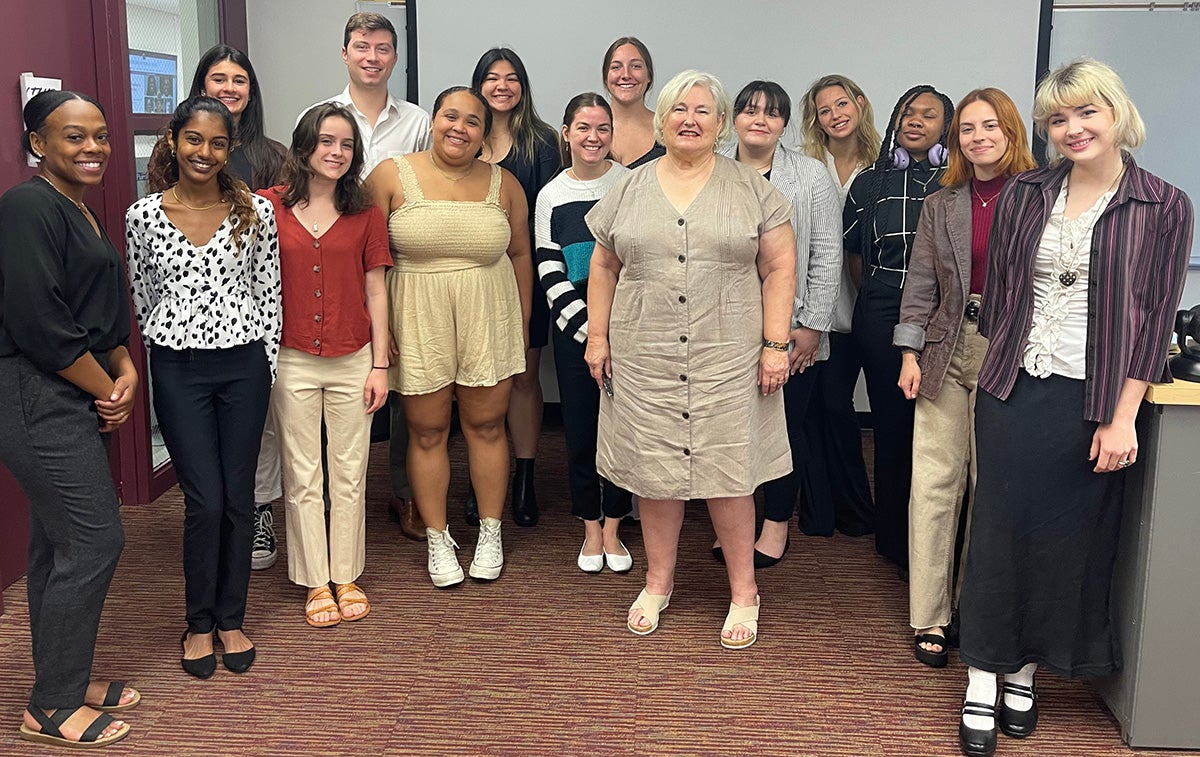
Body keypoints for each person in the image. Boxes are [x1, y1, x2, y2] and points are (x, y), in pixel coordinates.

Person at [955, 60, 1192, 757]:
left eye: (1086, 112)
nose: (1072, 128)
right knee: (997, 527)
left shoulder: (1163, 203)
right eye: (1059, 118)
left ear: (1116, 112)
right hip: (1013, 388)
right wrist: (1009, 357)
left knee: (1065, 541)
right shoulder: (1028, 191)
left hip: (1093, 398)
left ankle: (1026, 667)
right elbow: (1000, 292)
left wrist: (1123, 417)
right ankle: (981, 675)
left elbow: (1153, 320)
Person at [585, 70, 796, 649]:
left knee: (731, 474)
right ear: (661, 119)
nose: (690, 119)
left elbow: (779, 267)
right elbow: (603, 266)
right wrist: (596, 337)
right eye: (679, 108)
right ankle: (658, 581)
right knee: (655, 474)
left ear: (720, 123)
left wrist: (776, 344)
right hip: (644, 352)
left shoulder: (752, 188)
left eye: (703, 110)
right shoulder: (627, 187)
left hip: (730, 355)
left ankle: (744, 590)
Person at [126, 95, 280, 678]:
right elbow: (142, 296)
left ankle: (231, 617)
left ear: (230, 148)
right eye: (194, 139)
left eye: (218, 143)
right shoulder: (142, 217)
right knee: (204, 500)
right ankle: (197, 623)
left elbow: (269, 293)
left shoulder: (254, 214)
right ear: (173, 140)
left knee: (239, 496)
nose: (205, 152)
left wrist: (263, 363)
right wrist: (161, 348)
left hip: (243, 367)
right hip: (178, 369)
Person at [2, 90, 138, 749]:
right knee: (92, 540)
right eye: (73, 137)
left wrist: (124, 368)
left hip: (75, 386)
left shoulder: (81, 211)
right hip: (34, 394)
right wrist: (108, 387)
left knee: (57, 543)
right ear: (38, 144)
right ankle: (51, 706)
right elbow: (41, 324)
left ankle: (66, 673)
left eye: (101, 136)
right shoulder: (27, 207)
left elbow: (102, 313)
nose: (93, 148)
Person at [893, 88, 1036, 669]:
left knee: (989, 486)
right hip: (945, 348)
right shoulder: (942, 202)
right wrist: (909, 353)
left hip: (1013, 352)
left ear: (1011, 132)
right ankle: (930, 615)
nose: (978, 137)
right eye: (968, 129)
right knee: (932, 483)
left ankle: (977, 609)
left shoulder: (1042, 198)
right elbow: (921, 284)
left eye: (990, 126)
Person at [367, 86, 532, 587]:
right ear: (433, 120)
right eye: (449, 116)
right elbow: (368, 259)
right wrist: (380, 333)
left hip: (489, 315)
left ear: (486, 132)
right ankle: (438, 537)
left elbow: (521, 255)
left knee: (486, 427)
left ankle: (489, 530)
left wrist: (520, 323)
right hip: (415, 316)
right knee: (427, 430)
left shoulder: (505, 185)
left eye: (472, 121)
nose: (458, 128)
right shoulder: (391, 175)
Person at [300, 12, 432, 541]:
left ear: (395, 58)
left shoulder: (419, 121)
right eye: (361, 46)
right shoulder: (319, 115)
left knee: (403, 378)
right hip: (332, 266)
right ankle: (333, 497)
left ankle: (405, 492)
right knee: (333, 377)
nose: (372, 56)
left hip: (402, 266)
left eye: (382, 48)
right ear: (345, 53)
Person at [260, 103, 391, 627]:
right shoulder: (267, 207)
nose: (336, 153)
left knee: (349, 471)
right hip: (291, 358)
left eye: (346, 145)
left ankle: (347, 573)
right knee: (302, 473)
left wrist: (380, 364)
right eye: (326, 142)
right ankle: (315, 579)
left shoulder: (365, 214)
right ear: (304, 146)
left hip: (352, 357)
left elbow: (376, 289)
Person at [713, 80, 841, 568]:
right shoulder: (714, 169)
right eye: (749, 111)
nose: (759, 120)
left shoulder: (810, 175)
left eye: (771, 113)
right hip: (725, 327)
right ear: (733, 119)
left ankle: (775, 524)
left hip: (792, 328)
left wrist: (811, 326)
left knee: (785, 428)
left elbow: (827, 255)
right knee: (730, 429)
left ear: (785, 123)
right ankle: (734, 524)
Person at [843, 84, 954, 573]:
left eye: (929, 116)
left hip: (947, 310)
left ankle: (937, 538)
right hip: (883, 308)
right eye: (909, 113)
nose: (916, 121)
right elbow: (853, 256)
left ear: (944, 129)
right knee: (893, 428)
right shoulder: (870, 181)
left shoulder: (957, 179)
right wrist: (878, 301)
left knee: (941, 429)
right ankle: (895, 541)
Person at [189, 43, 288, 570]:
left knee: (260, 424)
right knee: (202, 427)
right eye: (218, 78)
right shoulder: (176, 150)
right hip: (192, 323)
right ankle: (213, 512)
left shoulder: (271, 156)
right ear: (201, 85)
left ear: (251, 92)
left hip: (253, 315)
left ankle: (257, 510)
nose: (229, 88)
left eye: (239, 81)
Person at [534, 92, 634, 573]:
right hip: (574, 335)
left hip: (630, 336)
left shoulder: (632, 184)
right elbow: (550, 273)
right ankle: (590, 526)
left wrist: (617, 333)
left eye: (603, 129)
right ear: (567, 132)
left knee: (621, 434)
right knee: (580, 431)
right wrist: (591, 332)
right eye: (584, 128)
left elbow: (641, 265)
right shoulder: (550, 195)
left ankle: (615, 525)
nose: (593, 138)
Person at [467, 47, 561, 528]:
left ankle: (524, 479)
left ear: (523, 86)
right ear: (478, 84)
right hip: (469, 282)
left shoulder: (542, 142)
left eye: (511, 78)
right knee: (476, 381)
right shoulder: (462, 133)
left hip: (523, 278)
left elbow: (544, 220)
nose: (501, 86)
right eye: (491, 78)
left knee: (524, 379)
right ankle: (478, 480)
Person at [798, 74, 880, 538]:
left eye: (842, 104)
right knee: (820, 408)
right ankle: (820, 511)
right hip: (815, 310)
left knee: (839, 409)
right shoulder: (809, 165)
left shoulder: (885, 164)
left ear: (860, 103)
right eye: (825, 110)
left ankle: (856, 509)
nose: (835, 115)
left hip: (865, 308)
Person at [601, 36, 665, 168]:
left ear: (649, 76)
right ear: (606, 78)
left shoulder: (667, 129)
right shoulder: (586, 131)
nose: (625, 75)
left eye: (636, 66)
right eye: (616, 67)